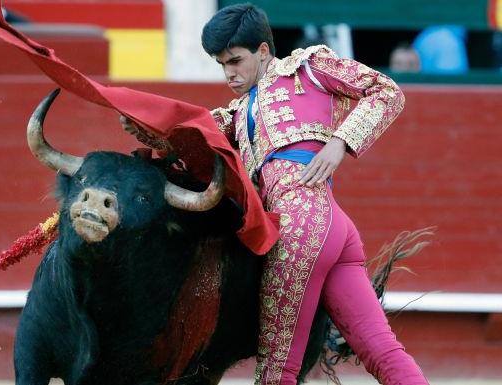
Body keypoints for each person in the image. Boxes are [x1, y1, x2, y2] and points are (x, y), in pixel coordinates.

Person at [122, 4, 428, 385]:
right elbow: (191, 137)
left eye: (235, 60)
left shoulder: (308, 67)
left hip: (299, 229)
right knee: (381, 352)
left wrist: (339, 143)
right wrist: (147, 129)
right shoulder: (236, 114)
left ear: (264, 51)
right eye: (221, 64)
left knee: (276, 371)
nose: (228, 73)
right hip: (331, 230)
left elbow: (386, 91)